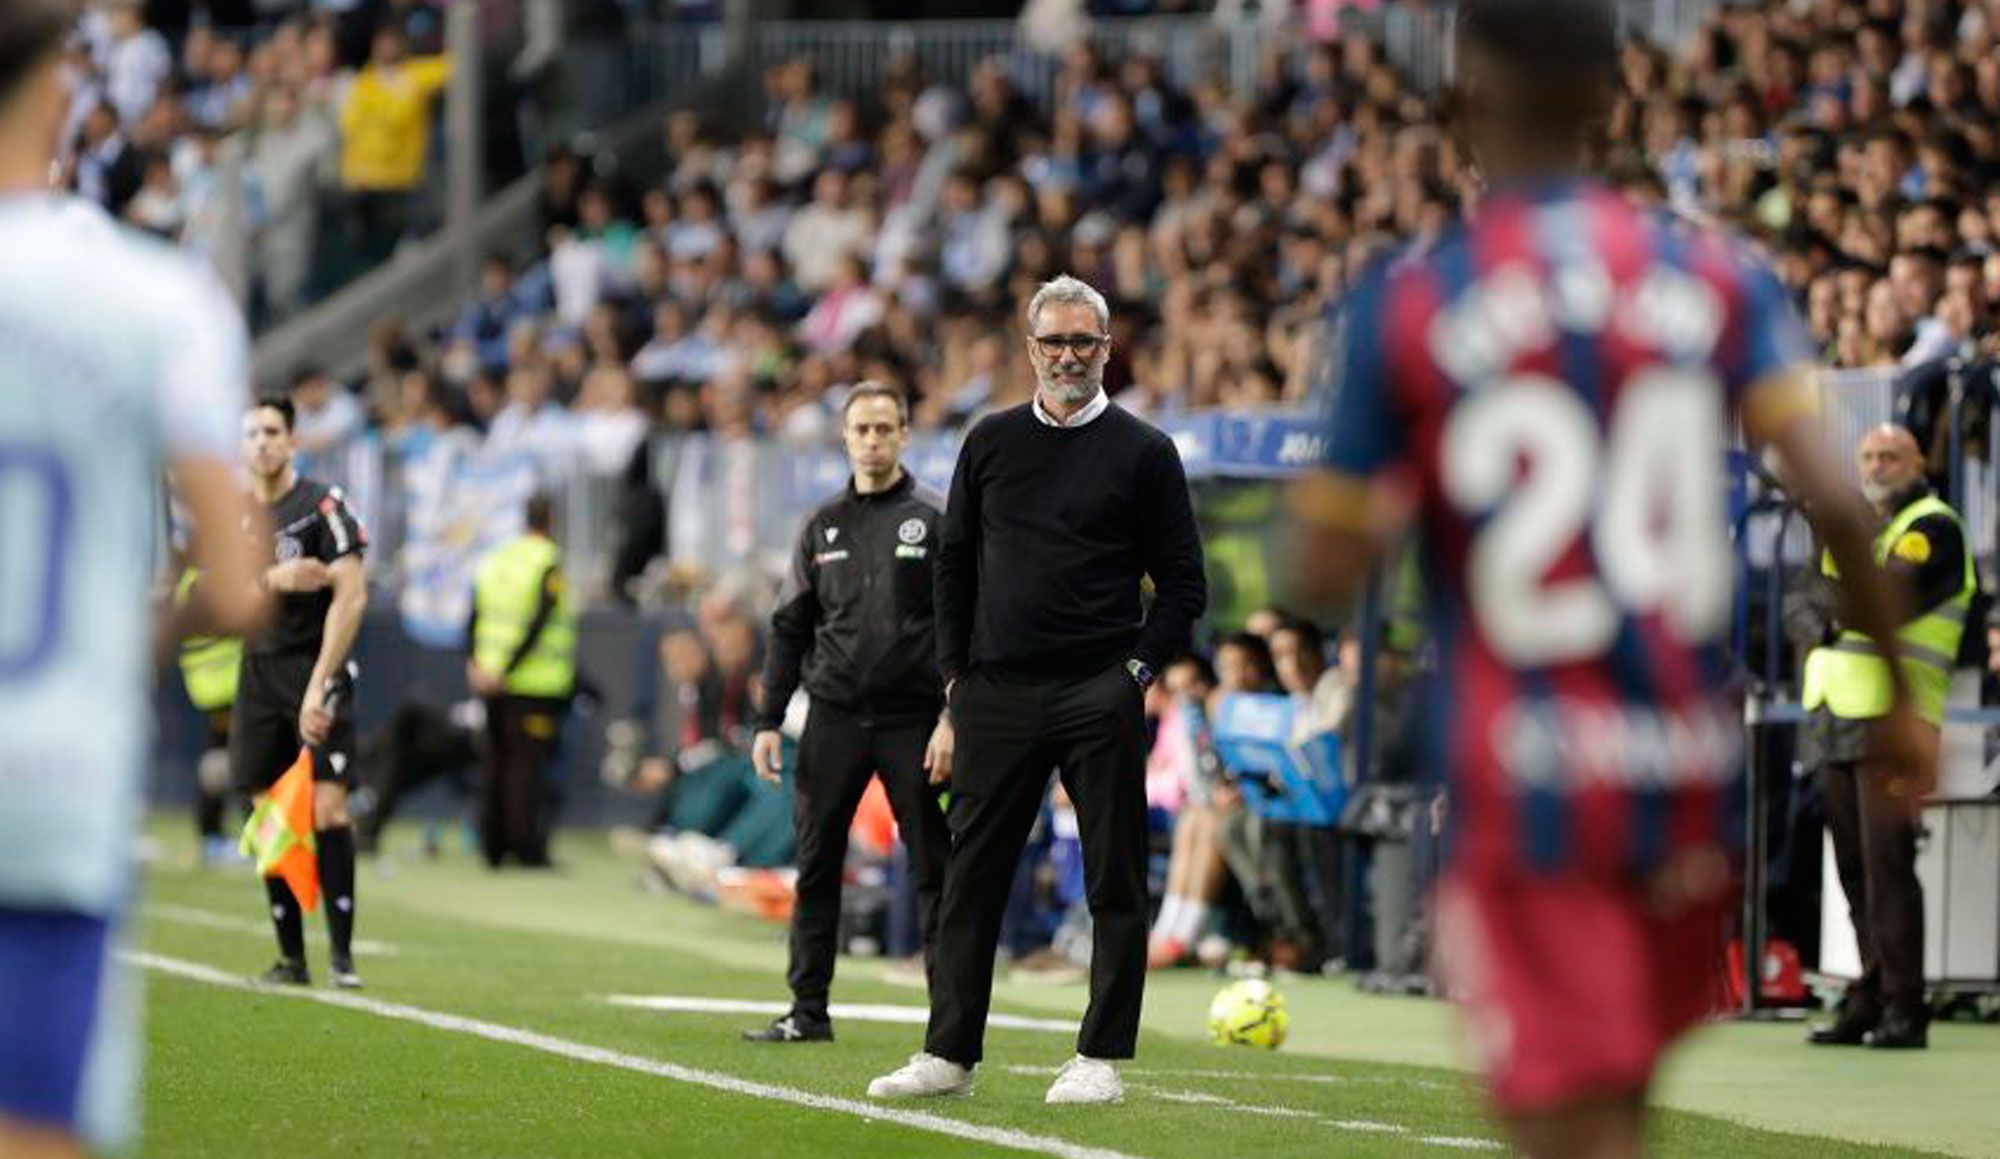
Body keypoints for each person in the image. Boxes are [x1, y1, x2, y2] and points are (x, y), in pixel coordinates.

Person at [1285, 2, 1934, 1157]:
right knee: (1618, 1101)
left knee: (1561, 1125)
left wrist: (1385, 486)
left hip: (1521, 769)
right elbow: (1834, 498)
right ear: (1610, 101)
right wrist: (1902, 705)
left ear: (1458, 111)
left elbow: (1320, 572)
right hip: (1682, 764)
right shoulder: (1715, 278)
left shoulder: (1418, 297)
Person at [0, 4, 269, 1156]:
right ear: (62, 91)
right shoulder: (154, 295)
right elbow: (239, 581)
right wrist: (127, 635)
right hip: (48, 777)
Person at [867, 274, 1207, 1105]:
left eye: (1082, 342)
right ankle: (948, 1053)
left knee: (1113, 877)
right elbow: (954, 567)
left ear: (1105, 349)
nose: (1067, 356)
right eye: (1053, 342)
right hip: (998, 692)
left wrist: (1133, 676)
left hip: (1100, 689)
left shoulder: (1145, 451)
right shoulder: (988, 442)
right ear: (1029, 350)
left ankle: (1100, 1057)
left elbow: (1184, 585)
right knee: (972, 876)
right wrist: (956, 679)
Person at [741, 381, 954, 1044]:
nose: (872, 440)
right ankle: (808, 1011)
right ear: (845, 436)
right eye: (861, 429)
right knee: (816, 861)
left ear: (904, 435)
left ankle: (950, 1021)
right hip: (832, 712)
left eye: (884, 428)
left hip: (914, 718)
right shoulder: (820, 523)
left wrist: (955, 718)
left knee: (932, 866)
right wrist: (769, 719)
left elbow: (962, 627)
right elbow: (789, 626)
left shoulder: (935, 516)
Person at [1800, 424, 1968, 1051]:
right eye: (1868, 455)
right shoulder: (1854, 535)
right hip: (1833, 716)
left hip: (1894, 719)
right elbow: (1802, 603)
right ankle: (1868, 994)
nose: (1878, 464)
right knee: (1851, 868)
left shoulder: (1933, 528)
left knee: (1888, 865)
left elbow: (1885, 601)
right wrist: (1833, 601)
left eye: (1891, 455)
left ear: (1919, 460)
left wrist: (1834, 602)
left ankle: (1904, 1005)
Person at [231, 397, 371, 989]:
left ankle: (342, 956)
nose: (261, 442)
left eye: (272, 431)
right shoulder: (234, 515)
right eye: (251, 433)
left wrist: (320, 683)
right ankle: (292, 958)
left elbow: (353, 594)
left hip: (317, 669)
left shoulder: (322, 505)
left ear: (293, 442)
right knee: (267, 812)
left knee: (327, 806)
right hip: (259, 675)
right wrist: (271, 578)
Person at [466, 492, 577, 869]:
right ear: (552, 519)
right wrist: (509, 669)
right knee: (526, 771)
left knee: (495, 763)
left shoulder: (496, 558)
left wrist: (477, 664)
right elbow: (540, 620)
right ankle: (526, 847)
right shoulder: (548, 561)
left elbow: (475, 613)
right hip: (534, 685)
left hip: (489, 679)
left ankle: (492, 847)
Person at [174, 561, 244, 865]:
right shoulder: (205, 574)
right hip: (220, 679)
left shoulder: (191, 575)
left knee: (224, 754)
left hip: (213, 678)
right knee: (227, 757)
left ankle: (214, 835)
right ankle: (212, 835)